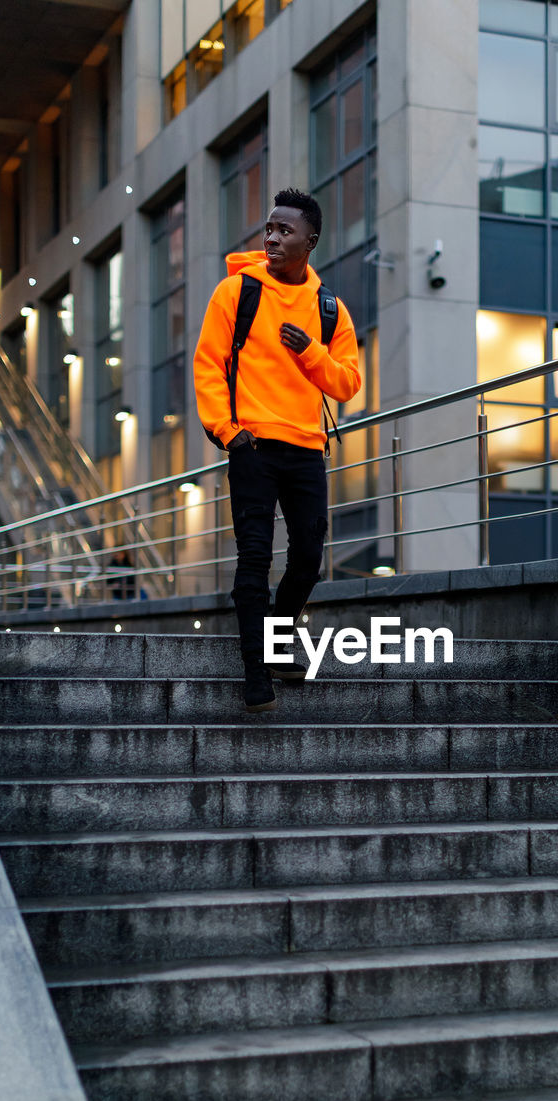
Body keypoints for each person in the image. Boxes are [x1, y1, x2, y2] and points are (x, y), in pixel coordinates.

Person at [193, 188, 361, 711]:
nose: (272, 238)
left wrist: (309, 352)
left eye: (285, 231)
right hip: (253, 447)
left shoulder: (330, 309)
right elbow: (207, 365)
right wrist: (227, 432)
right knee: (255, 558)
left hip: (306, 449)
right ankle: (255, 673)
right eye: (269, 228)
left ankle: (278, 639)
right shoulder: (235, 292)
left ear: (310, 241)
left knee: (309, 557)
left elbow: (348, 383)